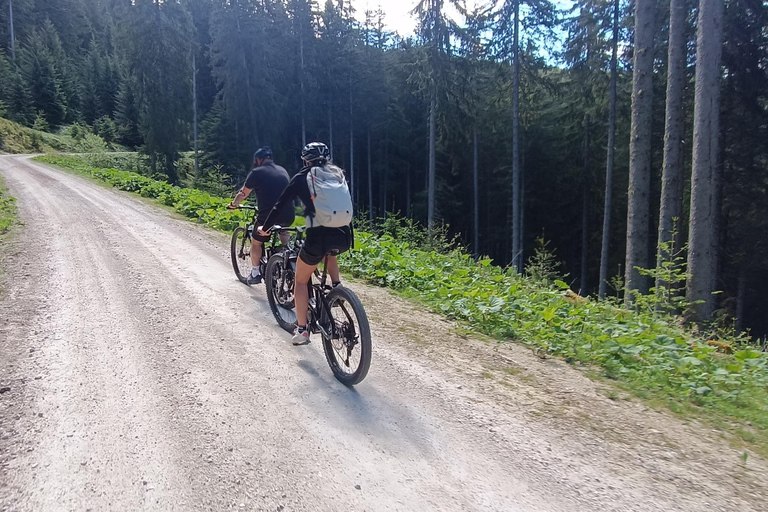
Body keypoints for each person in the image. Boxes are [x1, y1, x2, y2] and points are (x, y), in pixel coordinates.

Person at [258, 142, 353, 346]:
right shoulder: (337, 174)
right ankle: (337, 288)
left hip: (318, 237)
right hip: (344, 235)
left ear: (305, 159)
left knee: (301, 280)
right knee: (330, 251)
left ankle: (302, 330)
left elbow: (279, 205)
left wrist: (265, 228)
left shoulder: (302, 177)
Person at [228, 147, 295, 285]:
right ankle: (286, 254)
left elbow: (243, 194)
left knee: (256, 242)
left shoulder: (257, 172)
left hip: (268, 217)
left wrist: (234, 204)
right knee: (284, 231)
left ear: (258, 160)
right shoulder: (282, 170)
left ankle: (255, 273)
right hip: (289, 214)